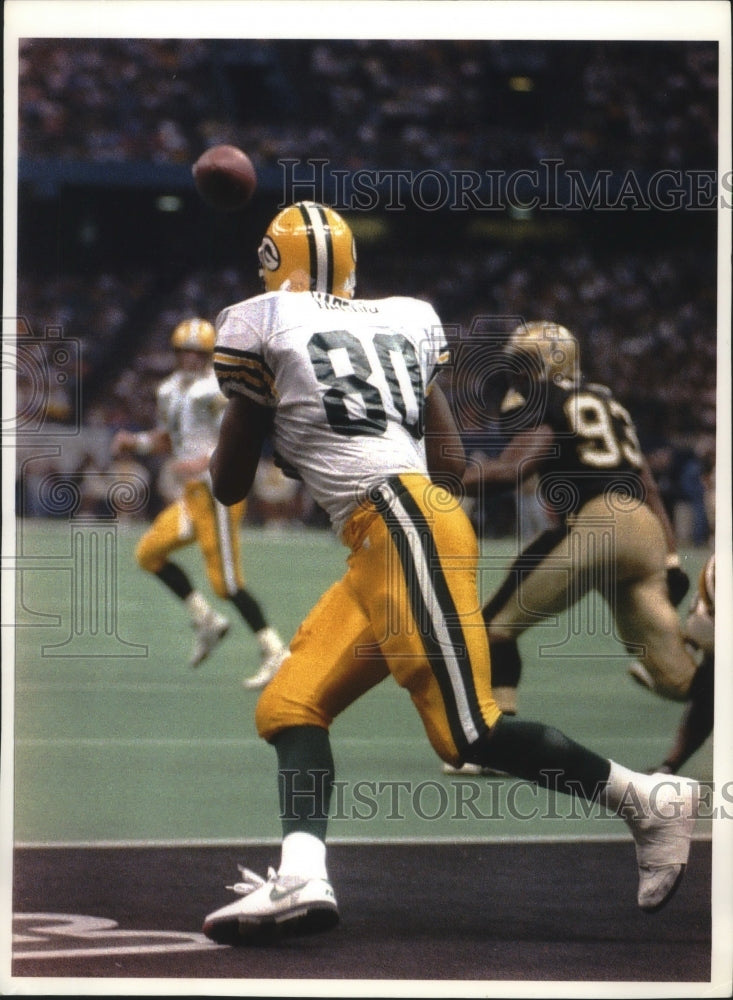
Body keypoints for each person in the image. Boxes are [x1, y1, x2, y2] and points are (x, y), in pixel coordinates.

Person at [201, 203, 698, 944]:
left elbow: (229, 484)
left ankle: (645, 800)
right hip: (397, 528)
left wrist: (269, 416)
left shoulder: (257, 323)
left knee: (469, 730)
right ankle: (302, 875)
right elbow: (454, 464)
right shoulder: (405, 317)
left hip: (399, 522)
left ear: (271, 263)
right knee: (290, 703)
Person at [448, 321, 712, 777]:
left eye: (525, 365)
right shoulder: (609, 401)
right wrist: (670, 556)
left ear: (550, 363)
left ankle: (499, 747)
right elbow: (647, 482)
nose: (518, 376)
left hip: (598, 526)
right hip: (645, 531)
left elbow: (513, 469)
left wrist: (440, 479)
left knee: (494, 626)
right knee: (681, 681)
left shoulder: (551, 401)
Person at [111, 317, 287, 689]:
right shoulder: (169, 389)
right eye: (184, 352)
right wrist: (136, 443)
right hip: (192, 496)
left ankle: (274, 650)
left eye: (198, 353)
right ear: (176, 353)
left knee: (226, 583)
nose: (191, 359)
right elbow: (166, 438)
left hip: (217, 492)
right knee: (149, 552)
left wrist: (202, 462)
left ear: (209, 355)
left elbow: (236, 439)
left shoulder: (217, 389)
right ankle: (205, 620)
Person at [633, 552, 715, 775]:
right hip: (708, 620)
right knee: (709, 687)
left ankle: (669, 766)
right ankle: (669, 766)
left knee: (709, 685)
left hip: (707, 620)